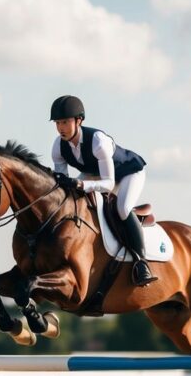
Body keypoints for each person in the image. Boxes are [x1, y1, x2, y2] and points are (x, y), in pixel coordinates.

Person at [49, 95, 156, 286]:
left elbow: (108, 183)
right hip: (95, 174)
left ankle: (141, 262)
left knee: (122, 208)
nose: (60, 128)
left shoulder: (97, 141)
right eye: (57, 123)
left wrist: (81, 185)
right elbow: (63, 184)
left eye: (64, 122)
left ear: (79, 120)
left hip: (129, 173)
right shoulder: (58, 146)